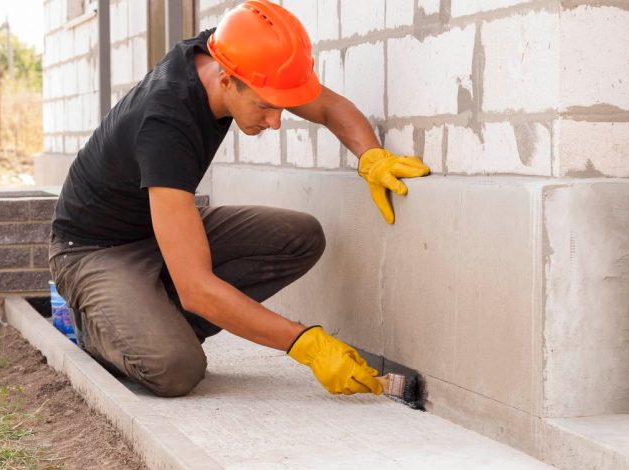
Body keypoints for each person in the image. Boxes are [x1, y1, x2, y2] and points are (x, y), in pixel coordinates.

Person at [48, 0, 430, 398]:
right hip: (93, 251)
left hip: (155, 231)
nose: (276, 121)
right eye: (266, 106)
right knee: (175, 368)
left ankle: (157, 319)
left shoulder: (236, 55)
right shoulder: (166, 125)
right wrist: (307, 344)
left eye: (280, 106)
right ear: (226, 80)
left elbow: (329, 107)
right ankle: (101, 327)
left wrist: (371, 156)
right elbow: (195, 288)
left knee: (299, 236)